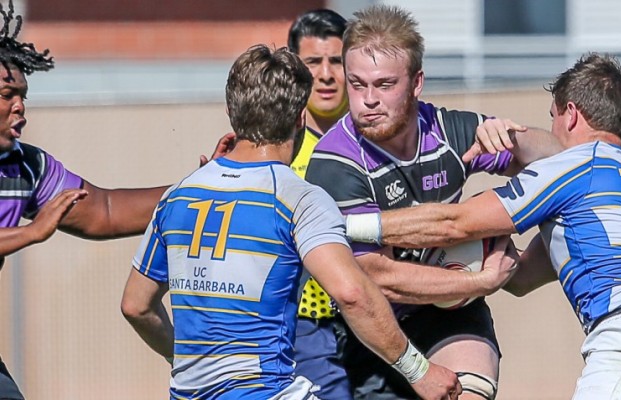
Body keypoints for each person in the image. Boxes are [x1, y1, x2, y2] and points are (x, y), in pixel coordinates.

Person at [120, 44, 463, 400]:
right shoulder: (297, 198)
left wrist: (186, 362)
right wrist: (419, 371)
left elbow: (136, 305)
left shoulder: (177, 196)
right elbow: (352, 294)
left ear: (231, 111)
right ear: (301, 117)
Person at [346, 53, 621, 399]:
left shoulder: (575, 166)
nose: (551, 132)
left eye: (551, 118)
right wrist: (478, 270)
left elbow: (455, 223)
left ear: (570, 115)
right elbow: (521, 277)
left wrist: (345, 226)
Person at [305, 5, 561, 400]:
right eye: (357, 85)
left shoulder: (447, 130)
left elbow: (559, 157)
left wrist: (514, 137)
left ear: (416, 82)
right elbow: (378, 277)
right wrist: (477, 282)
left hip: (449, 315)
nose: (368, 100)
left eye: (385, 85)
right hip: (376, 327)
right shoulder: (334, 161)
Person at [0, 1, 228, 397]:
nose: (20, 107)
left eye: (23, 95)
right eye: (6, 94)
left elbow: (103, 210)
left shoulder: (25, 166)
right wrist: (32, 232)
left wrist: (198, 190)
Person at [285, 9, 354, 399]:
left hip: (382, 312)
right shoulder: (278, 148)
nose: (326, 74)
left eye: (337, 61)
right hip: (308, 323)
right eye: (313, 62)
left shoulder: (375, 141)